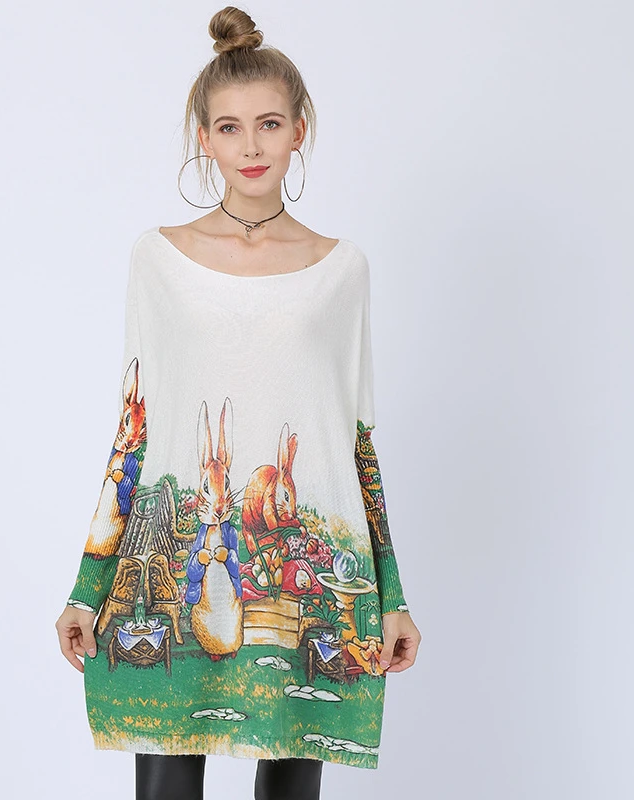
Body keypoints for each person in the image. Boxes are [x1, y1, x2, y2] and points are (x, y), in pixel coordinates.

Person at [55, 6, 421, 799]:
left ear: (298, 132)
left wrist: (392, 597)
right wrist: (88, 586)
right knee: (165, 782)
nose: (250, 147)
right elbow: (134, 432)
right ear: (205, 139)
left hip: (302, 579)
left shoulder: (341, 271)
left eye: (268, 125)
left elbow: (356, 444)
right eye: (229, 128)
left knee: (290, 787)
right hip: (184, 557)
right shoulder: (159, 260)